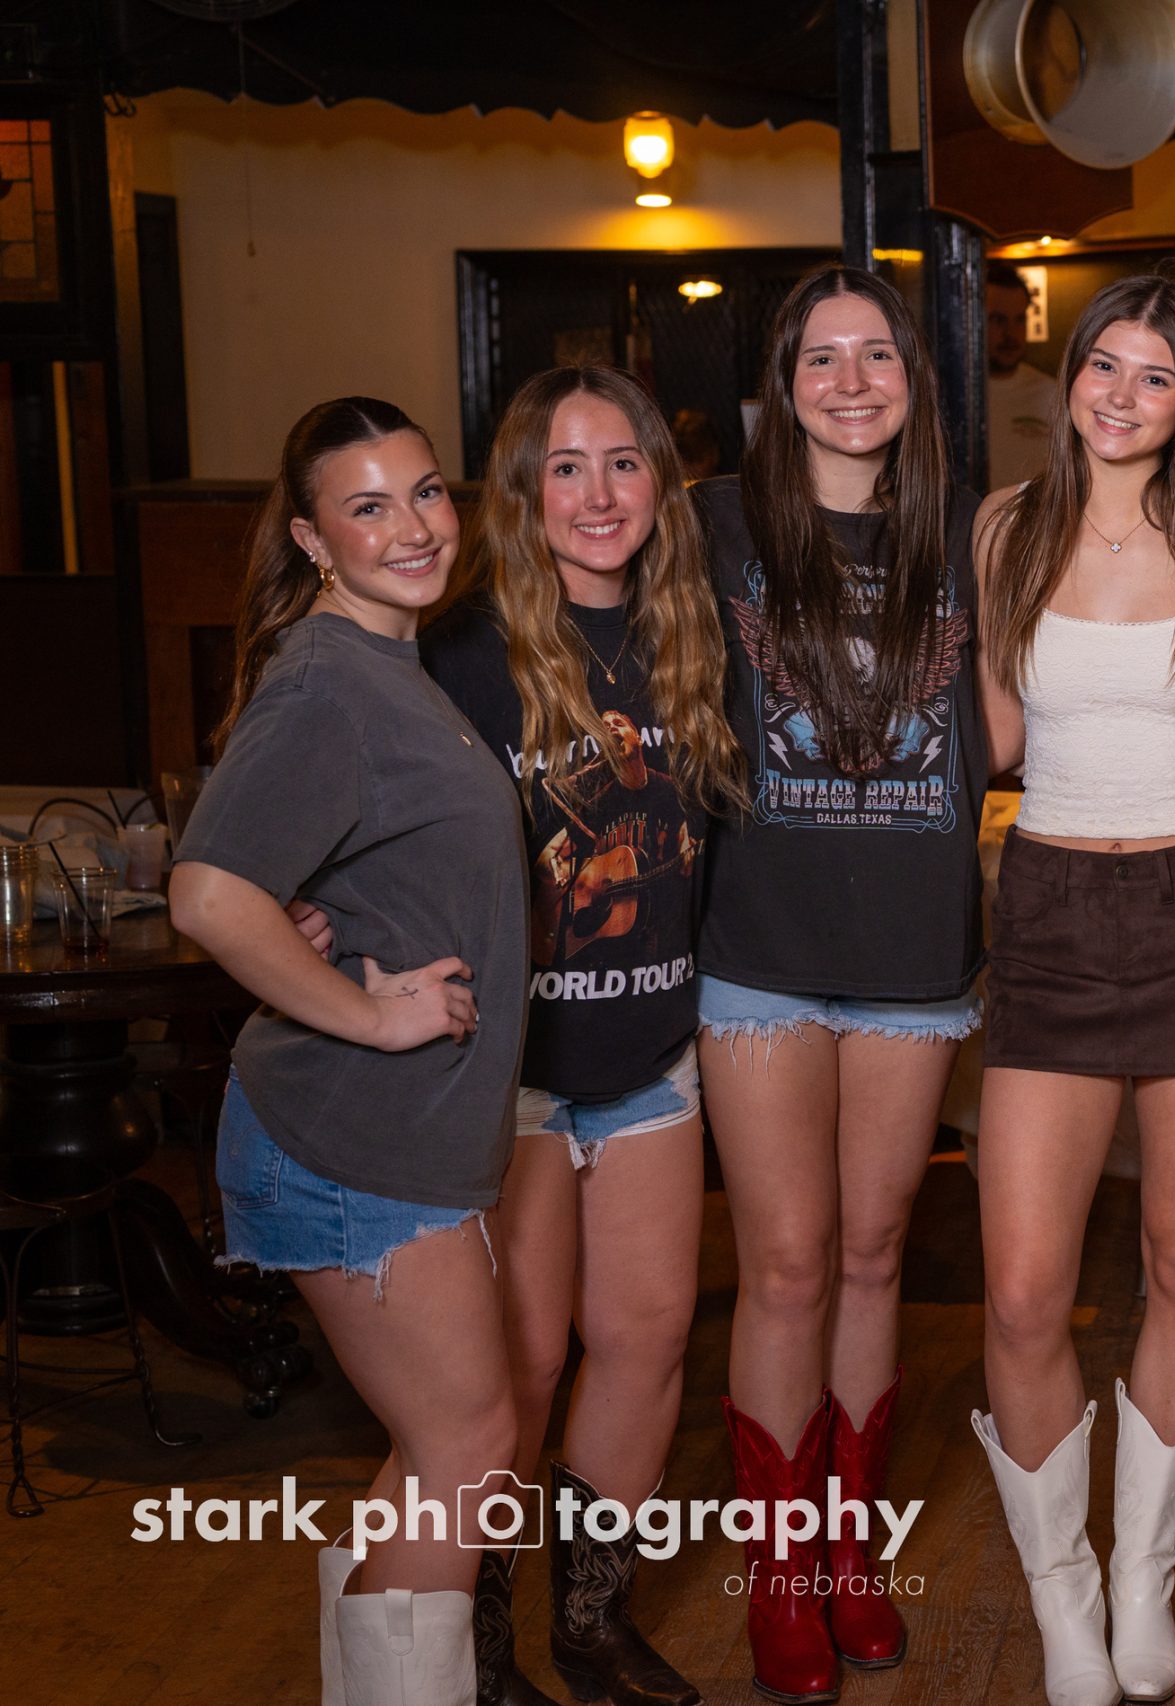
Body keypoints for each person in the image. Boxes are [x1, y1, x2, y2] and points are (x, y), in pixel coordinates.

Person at [170, 397, 525, 1704]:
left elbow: (311, 871)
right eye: (368, 507)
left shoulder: (384, 665)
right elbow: (209, 893)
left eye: (425, 491)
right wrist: (370, 1011)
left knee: (434, 1452)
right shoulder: (329, 683)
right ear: (315, 540)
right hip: (356, 1136)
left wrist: (322, 928)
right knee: (470, 1443)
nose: (414, 526)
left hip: (399, 1131)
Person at [969, 270, 1175, 1706]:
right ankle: (1065, 1591)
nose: (1122, 394)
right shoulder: (1005, 527)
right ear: (1072, 375)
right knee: (1024, 1287)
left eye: (1155, 374)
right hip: (1046, 903)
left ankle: (1145, 1571)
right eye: (1105, 363)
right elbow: (990, 734)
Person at [422, 365, 742, 1706]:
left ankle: (590, 1621)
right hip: (516, 1075)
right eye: (566, 467)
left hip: (654, 1054)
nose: (599, 494)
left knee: (650, 1336)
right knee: (524, 1360)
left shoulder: (692, 635)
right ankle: (480, 1641)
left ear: (661, 482)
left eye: (624, 463)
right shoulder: (459, 650)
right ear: (523, 491)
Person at [695, 265, 986, 1703]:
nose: (852, 381)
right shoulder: (713, 523)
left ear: (913, 384)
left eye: (878, 356)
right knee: (791, 1260)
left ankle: (848, 1544)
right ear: (784, 383)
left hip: (915, 955)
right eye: (824, 357)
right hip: (760, 950)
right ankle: (778, 1571)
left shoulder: (969, 534)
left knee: (875, 1254)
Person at [986, 260, 1061, 492]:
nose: (1011, 333)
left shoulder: (1052, 393)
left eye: (1020, 319)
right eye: (998, 320)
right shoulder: (949, 393)